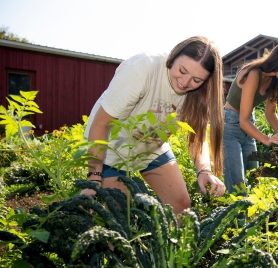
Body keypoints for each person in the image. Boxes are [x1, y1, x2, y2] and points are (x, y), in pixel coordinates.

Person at [81, 36, 225, 214]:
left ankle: (171, 243)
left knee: (180, 204)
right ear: (174, 55)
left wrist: (205, 170)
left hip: (151, 146)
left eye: (196, 80)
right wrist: (94, 178)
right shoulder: (142, 68)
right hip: (112, 145)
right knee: (121, 215)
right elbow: (101, 122)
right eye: (182, 70)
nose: (185, 82)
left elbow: (197, 135)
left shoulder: (198, 94)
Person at [223, 40, 278, 193]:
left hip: (248, 126)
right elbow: (242, 120)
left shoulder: (275, 80)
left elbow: (270, 114)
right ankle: (237, 217)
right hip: (230, 126)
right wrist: (267, 139)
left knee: (254, 181)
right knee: (237, 187)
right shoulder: (254, 74)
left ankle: (251, 217)